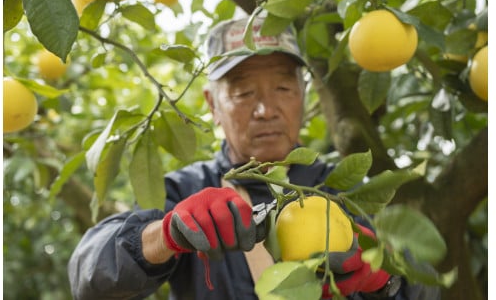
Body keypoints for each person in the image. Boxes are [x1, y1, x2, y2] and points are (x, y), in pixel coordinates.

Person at [67, 16, 437, 300]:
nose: (265, 109)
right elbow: (89, 275)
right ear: (213, 105)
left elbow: (426, 283)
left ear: (303, 95)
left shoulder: (346, 191)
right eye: (243, 92)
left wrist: (385, 279)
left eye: (282, 87)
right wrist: (164, 235)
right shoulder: (184, 192)